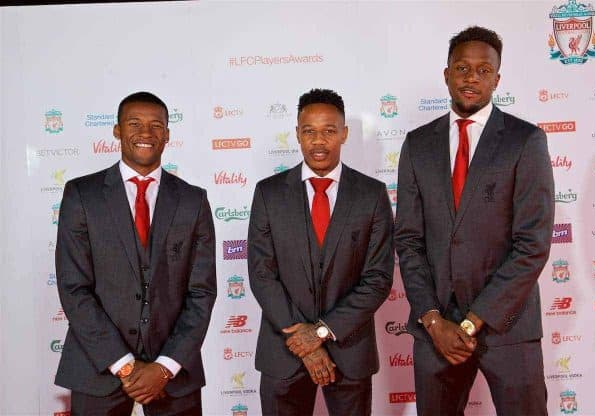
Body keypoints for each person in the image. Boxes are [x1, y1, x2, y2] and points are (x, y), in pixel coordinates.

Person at [395, 26, 554, 416]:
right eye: (462, 68)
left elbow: (532, 244)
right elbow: (409, 240)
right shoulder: (417, 144)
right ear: (446, 73)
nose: (471, 77)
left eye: (483, 70)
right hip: (436, 332)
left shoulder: (525, 141)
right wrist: (433, 321)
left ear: (497, 79)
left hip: (508, 326)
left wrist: (471, 322)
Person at [55, 91, 217, 415]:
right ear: (117, 130)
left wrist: (164, 367)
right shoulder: (81, 195)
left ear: (168, 135)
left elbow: (201, 292)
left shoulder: (193, 201)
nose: (146, 133)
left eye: (156, 125)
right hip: (97, 367)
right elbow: (74, 288)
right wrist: (125, 365)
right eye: (134, 124)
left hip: (174, 372)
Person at [248, 88, 394, 415]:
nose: (318, 141)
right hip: (283, 353)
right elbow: (261, 274)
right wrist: (302, 338)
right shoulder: (268, 194)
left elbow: (378, 279)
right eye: (309, 131)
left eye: (329, 131)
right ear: (297, 133)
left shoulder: (372, 195)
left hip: (350, 351)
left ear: (344, 134)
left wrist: (321, 333)